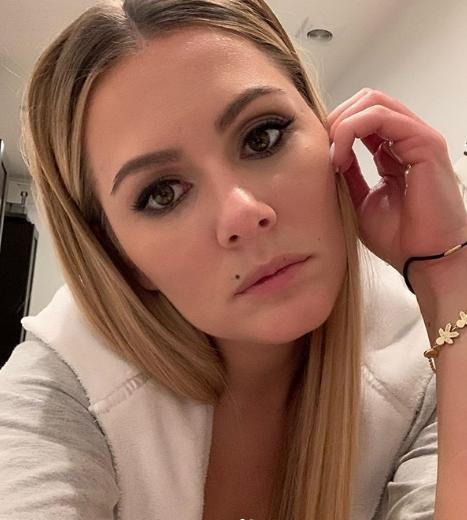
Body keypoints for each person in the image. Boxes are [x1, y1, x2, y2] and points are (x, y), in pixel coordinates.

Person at [1, 0, 466, 518]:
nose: (243, 213)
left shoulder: (425, 367)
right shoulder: (64, 389)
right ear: (121, 257)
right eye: (162, 194)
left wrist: (447, 276)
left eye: (261, 137)